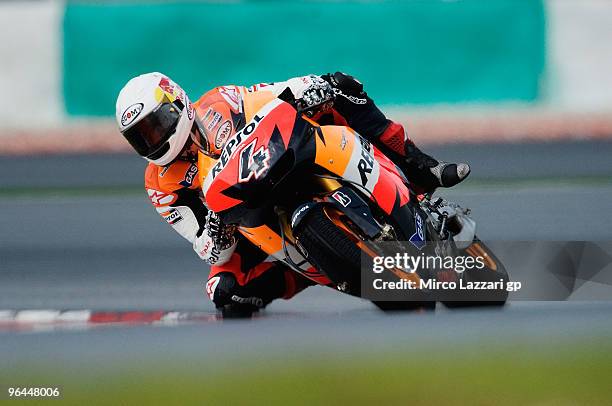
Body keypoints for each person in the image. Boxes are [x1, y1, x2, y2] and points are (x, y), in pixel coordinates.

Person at [115, 72, 470, 317]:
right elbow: (207, 249)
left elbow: (274, 95)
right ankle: (308, 268)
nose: (155, 139)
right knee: (226, 293)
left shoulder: (221, 102)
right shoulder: (160, 186)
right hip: (246, 219)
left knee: (340, 86)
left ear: (176, 104)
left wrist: (309, 88)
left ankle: (418, 170)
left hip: (285, 158)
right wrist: (215, 227)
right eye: (142, 137)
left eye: (156, 124)